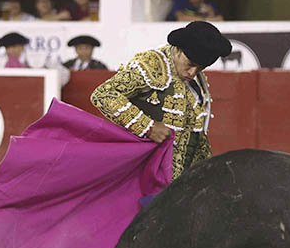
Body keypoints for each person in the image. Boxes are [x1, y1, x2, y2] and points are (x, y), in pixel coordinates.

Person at [91, 21, 231, 181]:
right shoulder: (152, 65)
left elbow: (196, 134)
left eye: (200, 68)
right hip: (146, 171)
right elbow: (103, 94)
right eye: (190, 65)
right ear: (177, 50)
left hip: (181, 177)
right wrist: (148, 127)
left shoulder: (197, 80)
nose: (193, 73)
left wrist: (208, 168)